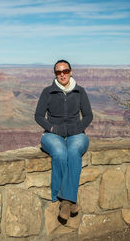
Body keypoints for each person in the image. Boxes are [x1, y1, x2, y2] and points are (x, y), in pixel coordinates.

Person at [34, 59, 93, 221]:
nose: (62, 75)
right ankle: (65, 198)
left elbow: (88, 115)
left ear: (71, 72)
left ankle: (65, 202)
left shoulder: (80, 92)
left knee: (74, 151)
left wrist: (78, 129)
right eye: (58, 72)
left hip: (76, 133)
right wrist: (52, 128)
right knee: (60, 152)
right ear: (55, 74)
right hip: (52, 134)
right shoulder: (48, 92)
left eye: (65, 71)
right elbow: (38, 116)